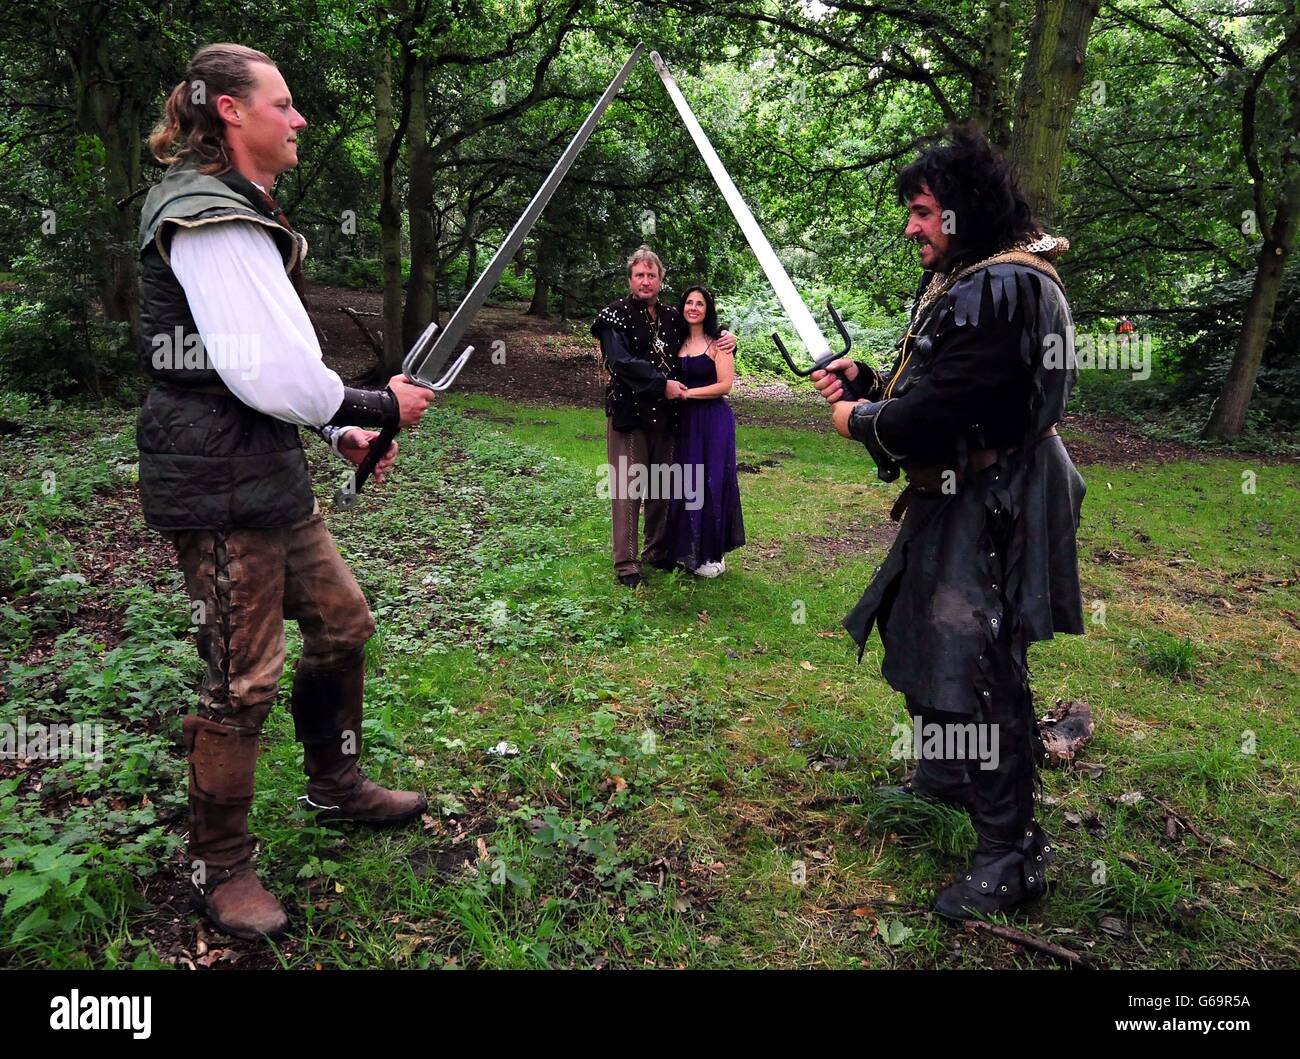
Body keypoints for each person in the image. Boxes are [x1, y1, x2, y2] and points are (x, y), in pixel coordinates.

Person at [137, 43, 437, 940]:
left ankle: (335, 783)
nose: (299, 118)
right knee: (242, 680)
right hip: (218, 483)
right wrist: (376, 402)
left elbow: (262, 369)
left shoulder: (239, 207)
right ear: (230, 110)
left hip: (262, 467)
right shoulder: (206, 216)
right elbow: (265, 366)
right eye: (285, 102)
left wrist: (337, 428)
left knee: (343, 623)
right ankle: (219, 863)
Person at [813, 124, 1086, 920]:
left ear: (962, 212)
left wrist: (860, 420)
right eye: (911, 211)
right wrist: (870, 380)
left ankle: (1010, 854)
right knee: (917, 623)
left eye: (924, 210)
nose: (912, 227)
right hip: (962, 489)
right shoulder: (976, 279)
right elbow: (940, 380)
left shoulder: (1003, 286)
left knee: (982, 664)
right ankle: (946, 771)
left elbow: (939, 414)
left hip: (994, 497)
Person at [591, 246, 734, 587]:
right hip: (630, 414)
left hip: (667, 418)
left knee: (661, 488)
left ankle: (656, 551)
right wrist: (661, 384)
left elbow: (701, 334)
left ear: (660, 280)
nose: (645, 281)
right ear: (630, 279)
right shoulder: (614, 315)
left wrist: (727, 336)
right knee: (629, 488)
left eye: (651, 275)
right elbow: (621, 362)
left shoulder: (671, 317)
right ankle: (626, 565)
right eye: (639, 275)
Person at [666, 285, 745, 577]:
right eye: (689, 302)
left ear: (707, 309)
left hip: (713, 421)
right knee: (687, 483)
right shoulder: (676, 342)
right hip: (685, 423)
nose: (694, 307)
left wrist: (688, 394)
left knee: (711, 483)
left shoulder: (719, 344)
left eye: (700, 303)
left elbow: (725, 385)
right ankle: (686, 549)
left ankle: (713, 554)